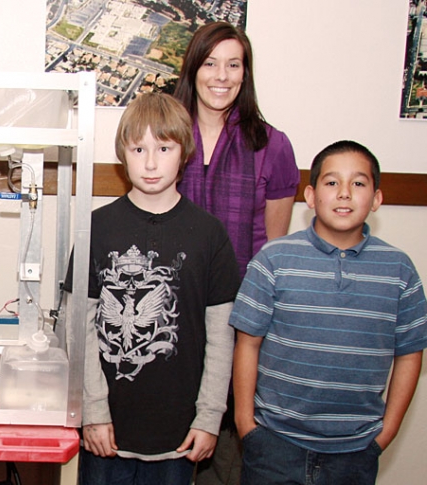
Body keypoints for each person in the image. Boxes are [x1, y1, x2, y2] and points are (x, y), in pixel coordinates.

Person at [65, 93, 241, 485]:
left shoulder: (210, 235)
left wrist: (210, 417)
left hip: (178, 435)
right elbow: (78, 330)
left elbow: (222, 336)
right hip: (106, 432)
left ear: (184, 152)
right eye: (138, 148)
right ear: (122, 154)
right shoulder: (95, 228)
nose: (149, 162)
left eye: (163, 148)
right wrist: (93, 411)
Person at [230, 141, 427, 485]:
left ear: (377, 198)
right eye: (332, 182)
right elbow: (247, 344)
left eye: (359, 183)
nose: (345, 194)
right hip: (274, 445)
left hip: (355, 452)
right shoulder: (273, 260)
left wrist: (386, 433)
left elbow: (410, 354)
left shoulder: (400, 269)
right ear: (310, 195)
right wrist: (247, 426)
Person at [172, 23, 301, 484]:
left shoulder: (271, 145)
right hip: (169, 313)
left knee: (225, 452)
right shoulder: (166, 136)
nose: (221, 76)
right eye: (210, 63)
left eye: (233, 64)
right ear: (193, 68)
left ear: (245, 74)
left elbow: (274, 255)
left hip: (237, 319)